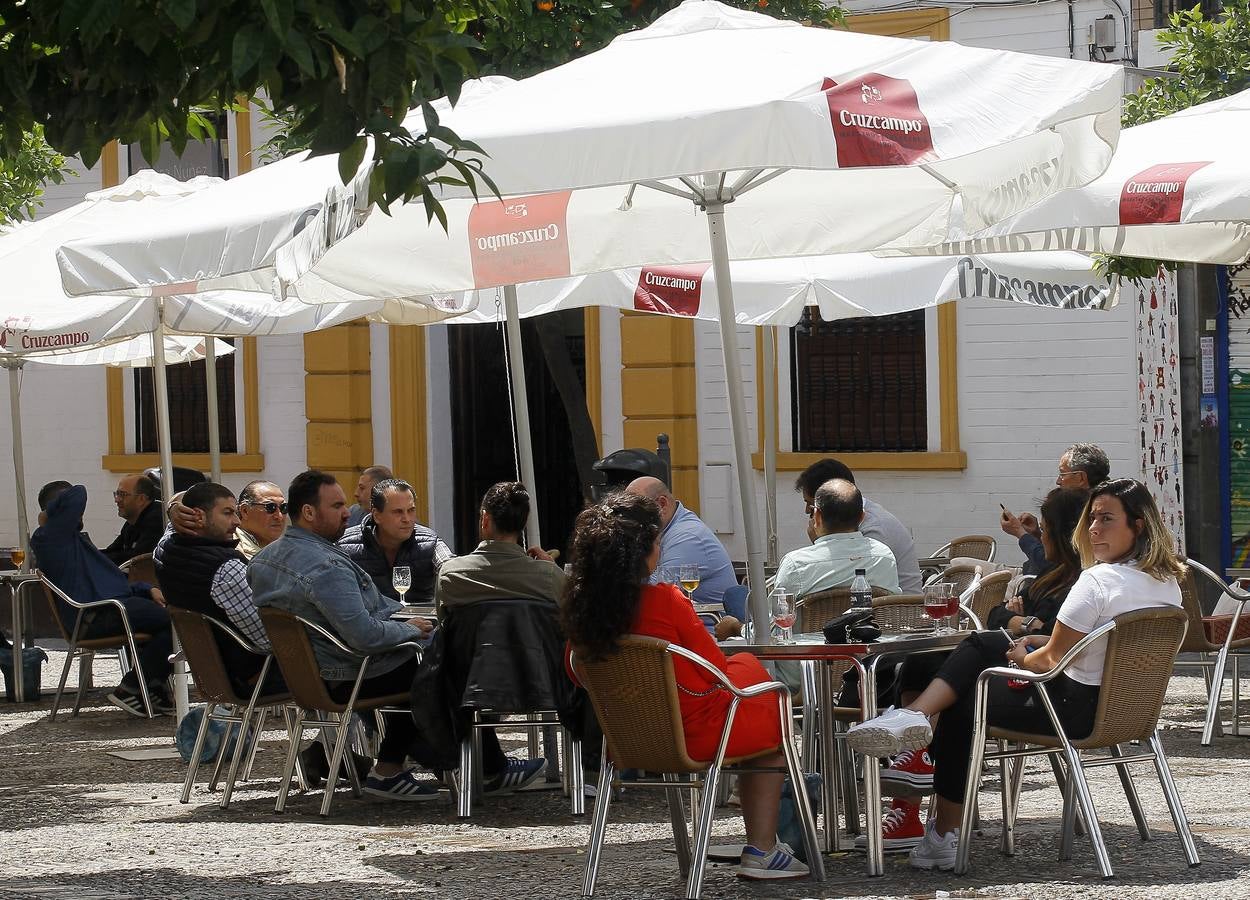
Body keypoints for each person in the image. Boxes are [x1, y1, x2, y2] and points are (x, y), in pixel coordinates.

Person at [847, 478, 1185, 871]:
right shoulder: (1166, 584)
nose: (1094, 528)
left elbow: (1046, 663)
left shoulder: (1096, 581)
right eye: (1092, 518)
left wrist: (1023, 657)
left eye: (1106, 519)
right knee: (986, 644)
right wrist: (1028, 645)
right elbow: (1099, 643)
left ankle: (941, 828)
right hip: (1126, 711)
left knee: (969, 698)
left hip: (1069, 709)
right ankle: (916, 723)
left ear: (1138, 525)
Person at [562, 491, 809, 881]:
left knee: (748, 681)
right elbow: (713, 668)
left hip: (627, 738)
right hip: (694, 734)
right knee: (767, 714)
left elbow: (577, 671)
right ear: (646, 550)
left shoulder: (582, 609)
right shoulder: (664, 600)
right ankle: (762, 850)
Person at [867, 486, 1090, 853]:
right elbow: (997, 615)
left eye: (1045, 530)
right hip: (1022, 669)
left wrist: (1024, 622)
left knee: (964, 692)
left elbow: (1049, 639)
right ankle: (913, 771)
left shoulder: (1081, 585)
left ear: (1064, 535)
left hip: (1043, 687)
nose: (1040, 536)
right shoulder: (1051, 576)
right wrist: (1024, 621)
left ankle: (941, 824)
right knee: (923, 662)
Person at [250, 470, 438, 801]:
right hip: (347, 675)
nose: (348, 511)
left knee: (427, 660)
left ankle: (446, 761)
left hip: (308, 676)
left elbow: (364, 617)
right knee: (438, 665)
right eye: (337, 505)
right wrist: (410, 628)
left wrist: (406, 619)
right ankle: (407, 770)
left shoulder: (264, 560)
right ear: (309, 513)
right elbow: (364, 636)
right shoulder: (326, 566)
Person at [418, 481, 561, 791]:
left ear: (484, 519)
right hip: (544, 681)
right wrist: (553, 568)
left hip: (471, 684)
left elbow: (445, 626)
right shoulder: (547, 577)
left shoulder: (453, 575)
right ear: (523, 524)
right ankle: (587, 780)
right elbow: (573, 621)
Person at [30, 481, 175, 716]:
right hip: (95, 615)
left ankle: (149, 687)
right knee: (177, 621)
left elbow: (110, 579)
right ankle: (133, 686)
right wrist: (46, 514)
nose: (80, 513)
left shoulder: (72, 540)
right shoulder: (51, 538)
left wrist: (146, 589)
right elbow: (78, 492)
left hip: (109, 608)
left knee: (170, 621)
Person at [153, 482, 273, 690]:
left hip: (213, 674)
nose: (237, 522)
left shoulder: (164, 551)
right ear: (198, 516)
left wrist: (173, 507)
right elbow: (270, 640)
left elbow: (171, 530)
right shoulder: (227, 569)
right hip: (254, 676)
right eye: (227, 513)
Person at [794, 459, 922, 593]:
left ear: (827, 496)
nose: (807, 510)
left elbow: (851, 581)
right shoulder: (853, 520)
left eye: (810, 504)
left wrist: (820, 543)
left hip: (899, 609)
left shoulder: (874, 528)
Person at [774, 478, 899, 599]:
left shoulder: (796, 565)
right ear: (862, 517)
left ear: (817, 516)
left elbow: (776, 616)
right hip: (872, 621)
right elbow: (892, 608)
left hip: (816, 621)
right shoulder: (884, 557)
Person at [624, 476, 737, 607]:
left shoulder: (688, 536)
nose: (629, 518)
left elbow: (656, 592)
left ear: (662, 504)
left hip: (709, 625)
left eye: (635, 510)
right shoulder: (668, 529)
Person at [1000, 443, 1110, 574]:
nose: (1058, 481)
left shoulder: (1082, 510)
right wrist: (1036, 534)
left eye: (1063, 474)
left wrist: (1020, 533)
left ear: (1081, 478)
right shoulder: (1103, 502)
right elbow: (1060, 552)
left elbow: (1054, 564)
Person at [339, 479, 454, 603]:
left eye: (411, 510)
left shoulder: (428, 541)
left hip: (421, 620)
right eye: (398, 512)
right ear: (377, 515)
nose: (407, 519)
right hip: (369, 620)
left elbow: (450, 568)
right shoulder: (346, 546)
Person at [101, 473, 163, 565]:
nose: (117, 500)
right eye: (117, 494)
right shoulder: (132, 521)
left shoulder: (157, 520)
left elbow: (138, 559)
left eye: (123, 494)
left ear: (141, 499)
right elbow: (114, 550)